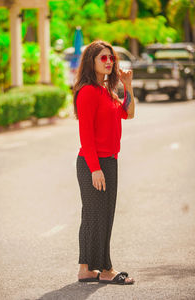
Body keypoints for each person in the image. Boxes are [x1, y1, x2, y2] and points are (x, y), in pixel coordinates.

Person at [73, 40, 135, 285]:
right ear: (92, 61)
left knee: (97, 215)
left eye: (111, 58)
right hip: (93, 162)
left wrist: (127, 86)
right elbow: (85, 134)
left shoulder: (107, 91)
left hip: (109, 161)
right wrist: (95, 168)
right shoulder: (88, 91)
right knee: (97, 215)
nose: (109, 62)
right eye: (103, 58)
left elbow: (128, 113)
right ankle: (106, 270)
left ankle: (86, 270)